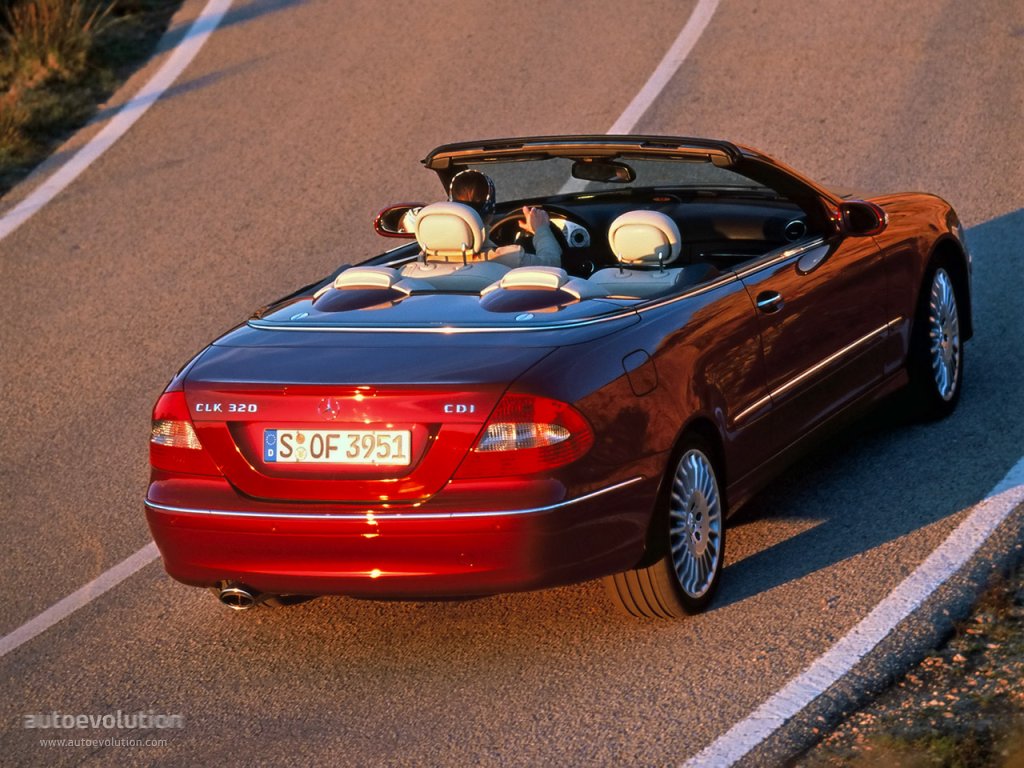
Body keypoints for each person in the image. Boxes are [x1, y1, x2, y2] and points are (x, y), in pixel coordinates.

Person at [423, 169, 562, 269]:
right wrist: (541, 229)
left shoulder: (426, 262)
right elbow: (553, 264)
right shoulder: (509, 259)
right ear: (490, 214)